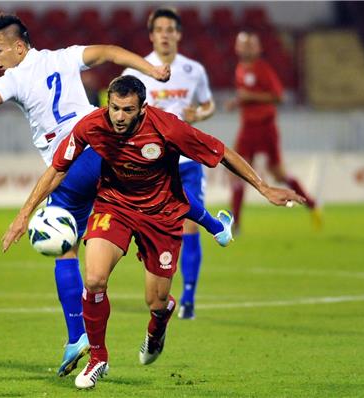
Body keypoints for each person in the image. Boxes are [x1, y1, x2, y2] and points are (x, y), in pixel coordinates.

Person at [0, 13, 171, 377]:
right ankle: (155, 296)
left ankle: (78, 336)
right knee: (114, 231)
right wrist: (150, 70)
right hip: (108, 153)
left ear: (19, 46)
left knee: (63, 244)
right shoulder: (64, 57)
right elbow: (109, 52)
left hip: (74, 166)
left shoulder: (17, 77)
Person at [2, 75, 305, 389]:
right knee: (93, 279)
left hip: (161, 216)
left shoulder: (168, 128)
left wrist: (264, 187)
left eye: (127, 110)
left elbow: (222, 152)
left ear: (142, 109)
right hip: (113, 206)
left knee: (156, 301)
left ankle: (159, 324)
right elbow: (57, 169)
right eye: (115, 108)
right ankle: (98, 358)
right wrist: (23, 215)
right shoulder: (92, 125)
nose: (119, 117)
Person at [123, 8, 232, 321]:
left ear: (178, 35)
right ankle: (158, 288)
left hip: (186, 160)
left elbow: (207, 102)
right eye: (160, 29)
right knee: (152, 228)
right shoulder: (140, 70)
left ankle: (188, 297)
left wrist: (204, 114)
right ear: (152, 35)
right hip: (151, 163)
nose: (165, 34)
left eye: (171, 29)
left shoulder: (193, 70)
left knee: (188, 223)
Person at [225, 31, 321, 232]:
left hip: (266, 126)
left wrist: (248, 96)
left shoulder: (263, 69)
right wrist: (238, 101)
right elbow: (246, 96)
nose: (246, 48)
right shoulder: (240, 69)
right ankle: (236, 223)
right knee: (238, 171)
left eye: (250, 45)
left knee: (278, 173)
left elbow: (279, 96)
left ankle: (311, 204)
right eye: (243, 45)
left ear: (259, 48)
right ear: (237, 48)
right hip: (248, 127)